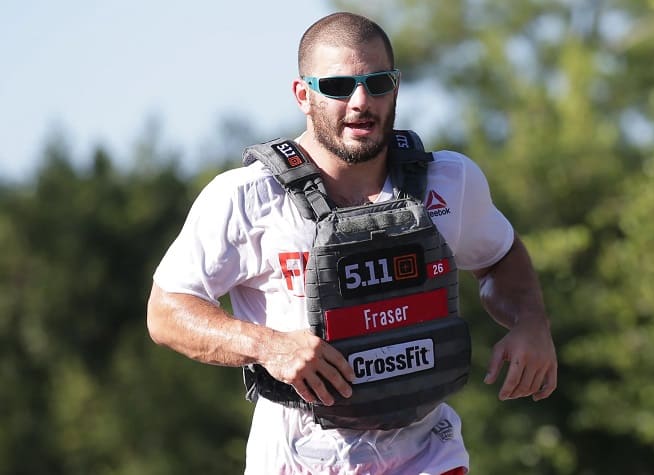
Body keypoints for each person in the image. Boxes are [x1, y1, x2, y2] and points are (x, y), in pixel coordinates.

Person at [147, 11, 557, 475]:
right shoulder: (246, 197)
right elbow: (166, 312)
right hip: (300, 460)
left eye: (377, 83)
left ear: (396, 88)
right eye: (339, 87)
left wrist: (531, 323)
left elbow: (500, 257)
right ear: (303, 95)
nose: (361, 101)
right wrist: (268, 346)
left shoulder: (450, 180)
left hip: (428, 455)